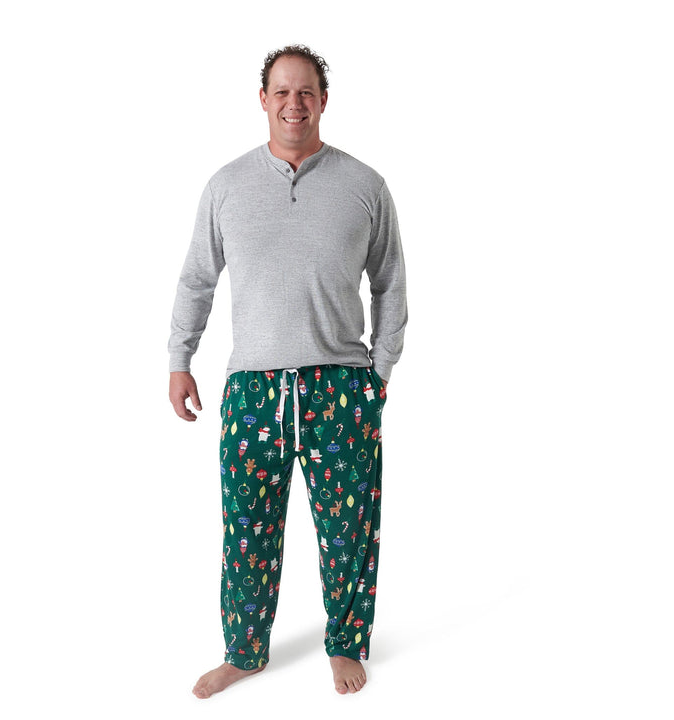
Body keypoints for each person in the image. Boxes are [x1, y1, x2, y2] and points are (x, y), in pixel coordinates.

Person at [168, 44, 407, 698]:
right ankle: (245, 651)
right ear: (263, 99)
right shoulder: (226, 186)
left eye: (306, 92)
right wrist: (180, 359)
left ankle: (346, 643)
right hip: (253, 387)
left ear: (323, 101)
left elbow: (389, 281)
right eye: (282, 91)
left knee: (349, 532)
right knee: (247, 530)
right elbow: (196, 279)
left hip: (342, 385)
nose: (294, 103)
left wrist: (381, 367)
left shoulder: (364, 185)